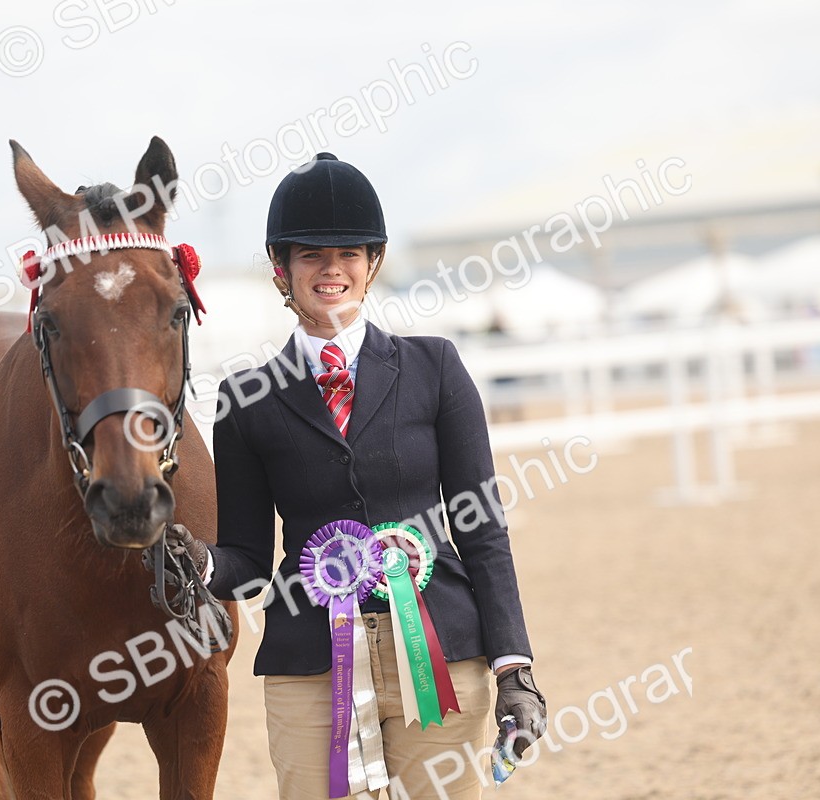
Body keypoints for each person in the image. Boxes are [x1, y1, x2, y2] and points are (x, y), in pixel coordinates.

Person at [171, 153, 547, 799]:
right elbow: (250, 559)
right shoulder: (248, 398)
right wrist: (199, 563)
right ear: (280, 269)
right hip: (310, 660)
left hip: (440, 652)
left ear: (373, 264)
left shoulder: (435, 369)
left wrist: (515, 665)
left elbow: (481, 526)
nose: (332, 269)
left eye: (349, 253)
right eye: (312, 255)